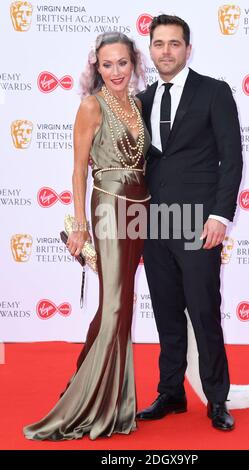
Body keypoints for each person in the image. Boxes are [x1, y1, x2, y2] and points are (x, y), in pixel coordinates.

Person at [23, 32, 150, 441]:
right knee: (115, 304)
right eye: (107, 64)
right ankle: (89, 403)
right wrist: (78, 225)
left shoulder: (136, 103)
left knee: (119, 302)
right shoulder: (91, 106)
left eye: (123, 63)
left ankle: (86, 377)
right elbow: (78, 169)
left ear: (134, 64)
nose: (115, 71)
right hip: (110, 206)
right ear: (96, 65)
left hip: (141, 207)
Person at [136, 15, 243, 431]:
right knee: (165, 311)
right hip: (154, 222)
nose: (166, 51)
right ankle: (171, 392)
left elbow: (231, 159)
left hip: (199, 222)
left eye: (174, 44)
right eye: (159, 43)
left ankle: (217, 398)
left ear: (187, 48)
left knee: (203, 311)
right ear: (151, 48)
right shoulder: (140, 100)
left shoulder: (214, 92)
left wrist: (220, 215)